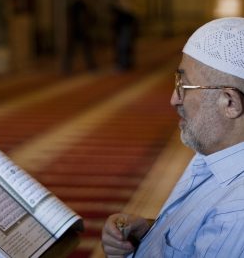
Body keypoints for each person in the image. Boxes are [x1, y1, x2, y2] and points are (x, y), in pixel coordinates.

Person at [102, 17, 244, 257]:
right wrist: (150, 233)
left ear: (229, 103)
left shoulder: (235, 215)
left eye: (184, 86)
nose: (174, 99)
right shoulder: (216, 151)